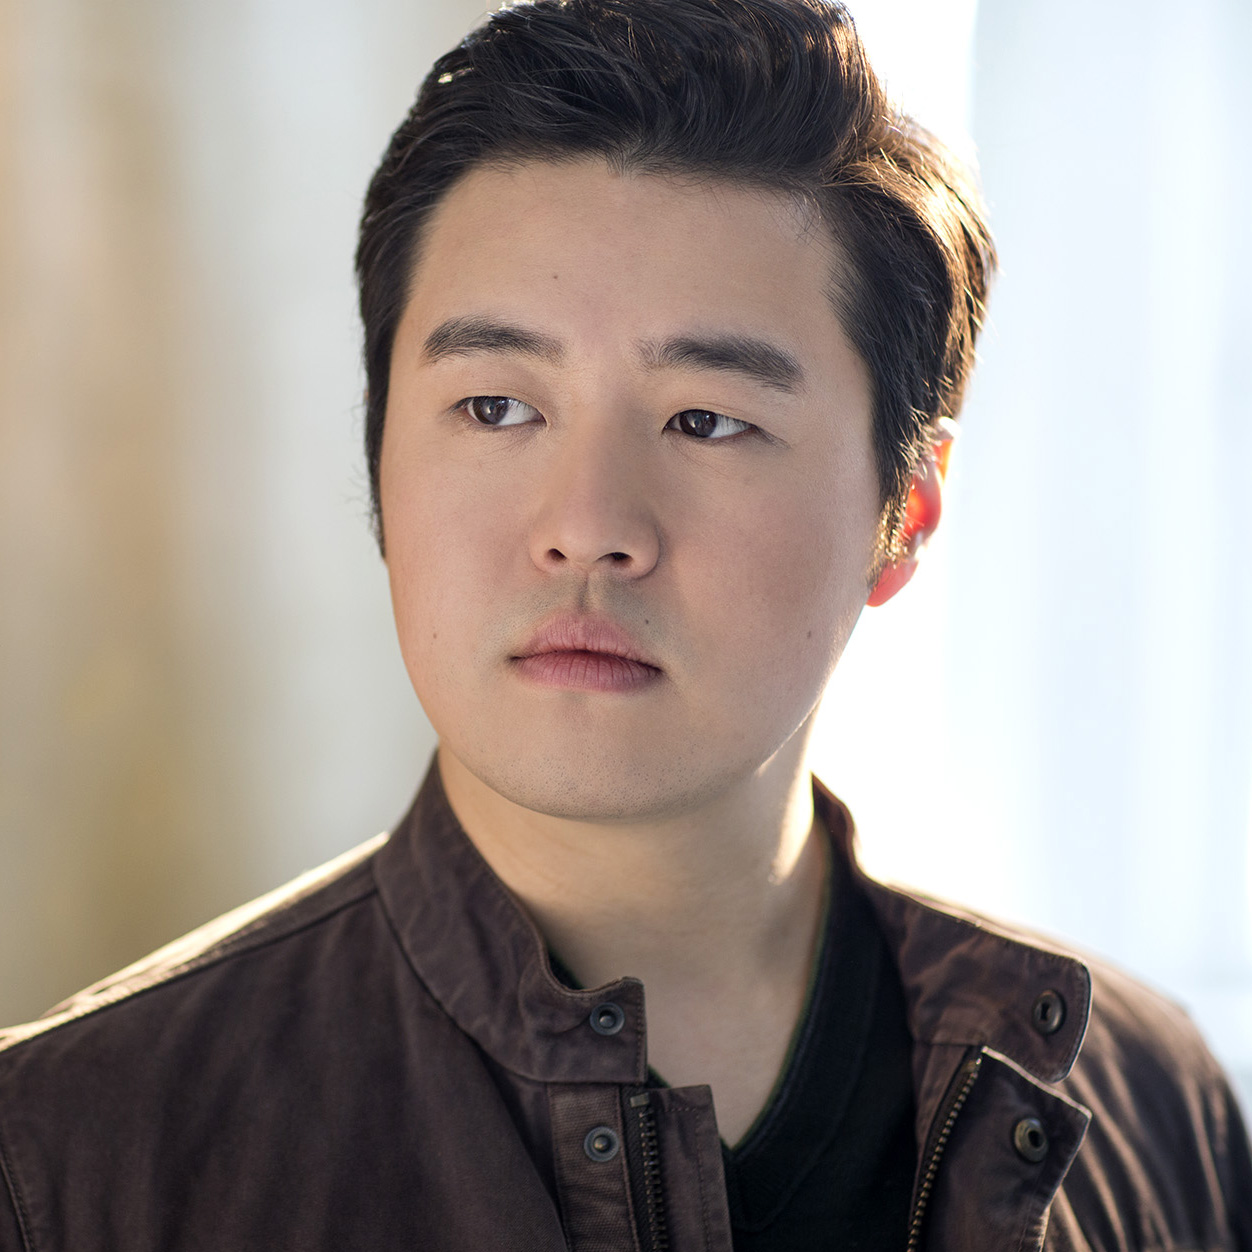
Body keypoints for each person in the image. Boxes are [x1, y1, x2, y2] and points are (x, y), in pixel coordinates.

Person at [1, 0, 1248, 1247]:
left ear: (904, 511)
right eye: (495, 407)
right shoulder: (68, 1156)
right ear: (379, 458)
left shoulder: (1149, 1104)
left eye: (705, 420)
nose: (588, 524)